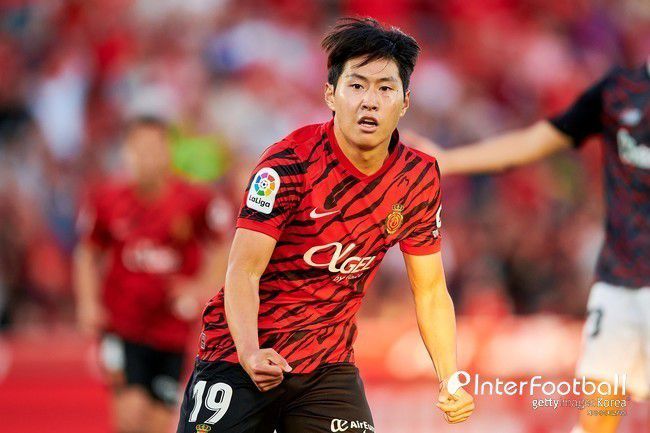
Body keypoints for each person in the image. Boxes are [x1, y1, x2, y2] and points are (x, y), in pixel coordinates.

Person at [176, 18, 474, 433]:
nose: (370, 101)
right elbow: (243, 270)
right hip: (240, 356)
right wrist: (249, 351)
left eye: (385, 88)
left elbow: (430, 290)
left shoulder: (418, 178)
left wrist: (449, 378)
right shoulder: (287, 166)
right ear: (330, 94)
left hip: (326, 367)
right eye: (357, 85)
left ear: (405, 102)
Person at [404, 61, 650, 433]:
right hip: (620, 282)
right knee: (598, 416)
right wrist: (449, 160)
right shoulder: (618, 92)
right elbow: (534, 142)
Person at [74, 116, 232, 433]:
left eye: (154, 148)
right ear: (126, 152)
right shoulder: (106, 200)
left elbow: (225, 244)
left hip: (171, 328)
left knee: (159, 421)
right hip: (122, 325)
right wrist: (88, 302)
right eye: (139, 149)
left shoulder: (195, 201)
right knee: (130, 413)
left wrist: (201, 287)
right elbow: (87, 252)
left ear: (168, 151)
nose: (146, 157)